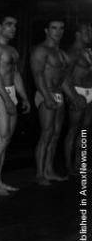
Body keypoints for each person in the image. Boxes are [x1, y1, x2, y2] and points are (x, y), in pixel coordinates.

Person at [30, 20, 85, 185]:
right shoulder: (41, 50)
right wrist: (47, 96)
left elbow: (64, 79)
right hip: (45, 93)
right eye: (54, 28)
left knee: (55, 135)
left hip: (58, 94)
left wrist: (74, 96)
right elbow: (38, 75)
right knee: (46, 134)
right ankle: (39, 174)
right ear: (46, 30)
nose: (58, 31)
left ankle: (49, 171)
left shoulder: (62, 54)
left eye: (61, 28)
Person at [0, 16, 30, 195]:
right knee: (1, 138)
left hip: (10, 93)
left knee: (6, 140)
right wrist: (6, 100)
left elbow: (16, 74)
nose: (13, 28)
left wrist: (24, 97)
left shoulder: (12, 50)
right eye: (8, 25)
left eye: (15, 25)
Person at [64, 21, 92, 174]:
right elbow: (64, 77)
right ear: (78, 34)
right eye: (87, 32)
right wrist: (73, 97)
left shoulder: (88, 51)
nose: (90, 34)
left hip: (90, 92)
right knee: (73, 130)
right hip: (78, 92)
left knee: (85, 130)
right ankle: (69, 166)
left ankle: (80, 164)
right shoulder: (72, 52)